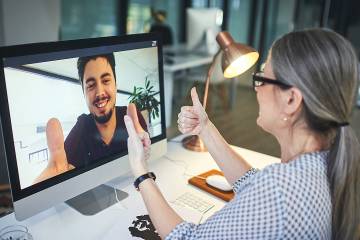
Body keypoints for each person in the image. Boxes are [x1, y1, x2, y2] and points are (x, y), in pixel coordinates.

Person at [124, 28, 360, 239]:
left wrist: (140, 171)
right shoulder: (323, 162)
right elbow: (254, 183)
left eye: (261, 79)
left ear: (291, 99)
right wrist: (205, 128)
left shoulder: (280, 190)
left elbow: (185, 238)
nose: (256, 89)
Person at [34, 53, 147, 183]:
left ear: (115, 85)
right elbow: (62, 167)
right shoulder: (82, 127)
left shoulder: (133, 118)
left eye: (105, 81)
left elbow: (146, 156)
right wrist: (51, 185)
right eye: (91, 85)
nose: (99, 92)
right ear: (84, 93)